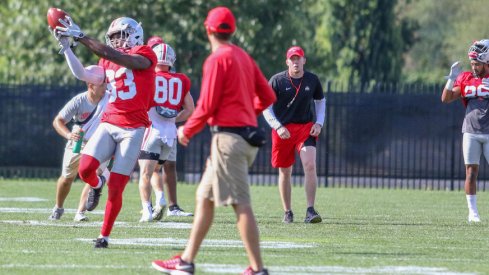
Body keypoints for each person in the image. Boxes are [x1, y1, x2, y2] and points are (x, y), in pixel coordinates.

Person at [151, 6, 276, 275]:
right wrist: (246, 115)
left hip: (229, 141)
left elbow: (206, 106)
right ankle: (186, 261)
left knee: (240, 203)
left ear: (208, 30)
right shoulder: (244, 56)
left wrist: (186, 130)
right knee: (204, 197)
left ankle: (258, 269)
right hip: (240, 138)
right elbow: (267, 97)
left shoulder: (217, 59)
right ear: (232, 31)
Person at [55, 16, 157, 247]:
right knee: (85, 169)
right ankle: (97, 184)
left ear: (134, 34)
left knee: (117, 186)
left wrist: (80, 37)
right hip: (110, 122)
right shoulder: (106, 61)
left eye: (120, 36)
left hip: (134, 128)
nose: (116, 41)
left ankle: (104, 236)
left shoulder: (145, 53)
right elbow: (83, 75)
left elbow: (122, 58)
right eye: (112, 38)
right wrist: (67, 48)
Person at [263, 46, 326, 224]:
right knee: (285, 171)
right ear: (287, 62)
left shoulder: (312, 80)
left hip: (305, 128)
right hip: (283, 130)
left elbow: (320, 101)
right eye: (292, 59)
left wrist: (319, 123)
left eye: (299, 58)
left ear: (304, 60)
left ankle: (310, 210)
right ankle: (288, 212)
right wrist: (278, 126)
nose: (296, 62)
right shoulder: (276, 81)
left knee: (310, 164)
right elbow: (265, 108)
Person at [49, 42, 110, 222]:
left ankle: (80, 212)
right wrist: (69, 135)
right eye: (102, 82)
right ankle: (58, 207)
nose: (106, 84)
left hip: (99, 143)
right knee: (67, 178)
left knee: (94, 175)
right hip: (78, 142)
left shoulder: (109, 96)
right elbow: (58, 121)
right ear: (91, 85)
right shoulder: (79, 101)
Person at [138, 43, 195, 222]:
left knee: (145, 173)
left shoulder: (149, 77)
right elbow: (190, 109)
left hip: (152, 129)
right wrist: (172, 119)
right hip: (170, 133)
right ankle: (161, 197)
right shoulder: (182, 79)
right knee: (156, 169)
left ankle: (147, 209)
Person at [441, 39, 489, 223]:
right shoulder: (466, 78)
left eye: (477, 63)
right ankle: (473, 213)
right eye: (473, 63)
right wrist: (452, 78)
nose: (474, 67)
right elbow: (446, 98)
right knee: (470, 172)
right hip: (470, 131)